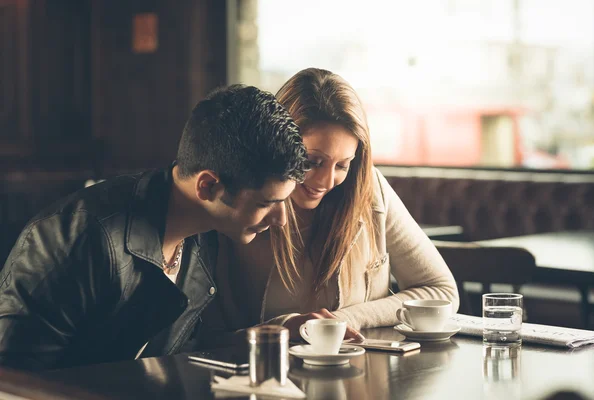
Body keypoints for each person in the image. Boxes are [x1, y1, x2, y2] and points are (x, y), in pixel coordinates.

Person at [0, 85, 308, 370]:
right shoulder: (78, 239)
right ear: (209, 186)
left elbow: (168, 350)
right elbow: (14, 379)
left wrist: (271, 334)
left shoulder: (205, 237)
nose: (281, 219)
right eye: (267, 203)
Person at [209, 69, 459, 342]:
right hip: (264, 375)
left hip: (359, 375)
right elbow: (201, 336)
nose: (326, 182)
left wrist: (345, 320)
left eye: (342, 165)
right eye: (312, 162)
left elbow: (440, 291)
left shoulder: (368, 187)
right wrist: (284, 327)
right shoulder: (239, 198)